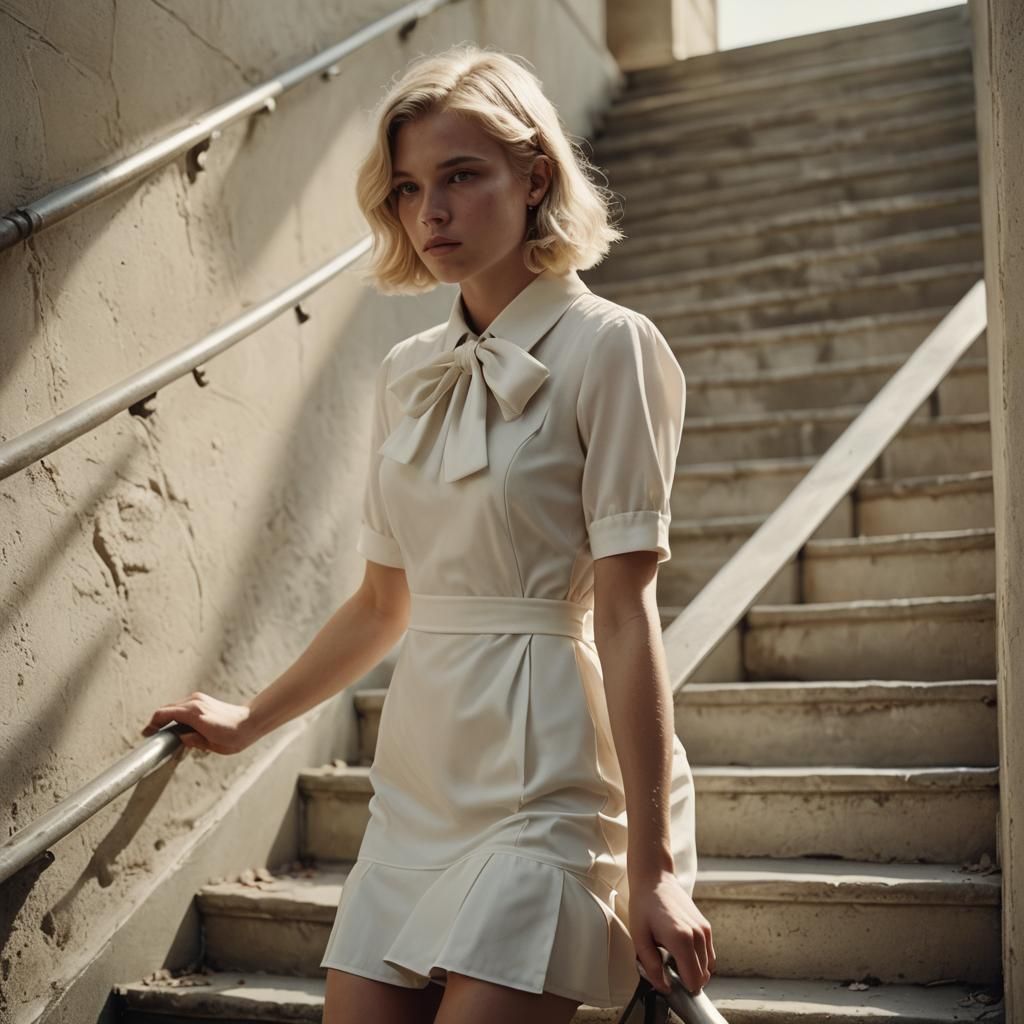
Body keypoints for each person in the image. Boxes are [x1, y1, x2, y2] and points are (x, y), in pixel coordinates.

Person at [142, 43, 715, 1024]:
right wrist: (248, 722)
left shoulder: (612, 349)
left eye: (460, 176)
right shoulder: (407, 370)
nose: (431, 212)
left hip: (551, 785)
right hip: (416, 781)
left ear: (534, 177)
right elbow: (380, 603)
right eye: (409, 189)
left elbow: (626, 617)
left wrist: (656, 869)